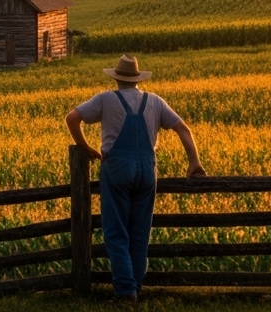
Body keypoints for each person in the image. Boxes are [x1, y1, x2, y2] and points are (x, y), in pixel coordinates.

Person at [66, 54, 205, 303]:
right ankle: (136, 288)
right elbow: (183, 128)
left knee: (116, 232)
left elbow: (72, 118)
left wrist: (84, 147)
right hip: (146, 170)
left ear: (117, 78)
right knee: (140, 234)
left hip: (117, 169)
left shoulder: (107, 99)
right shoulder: (155, 102)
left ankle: (126, 293)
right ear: (137, 78)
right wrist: (194, 162)